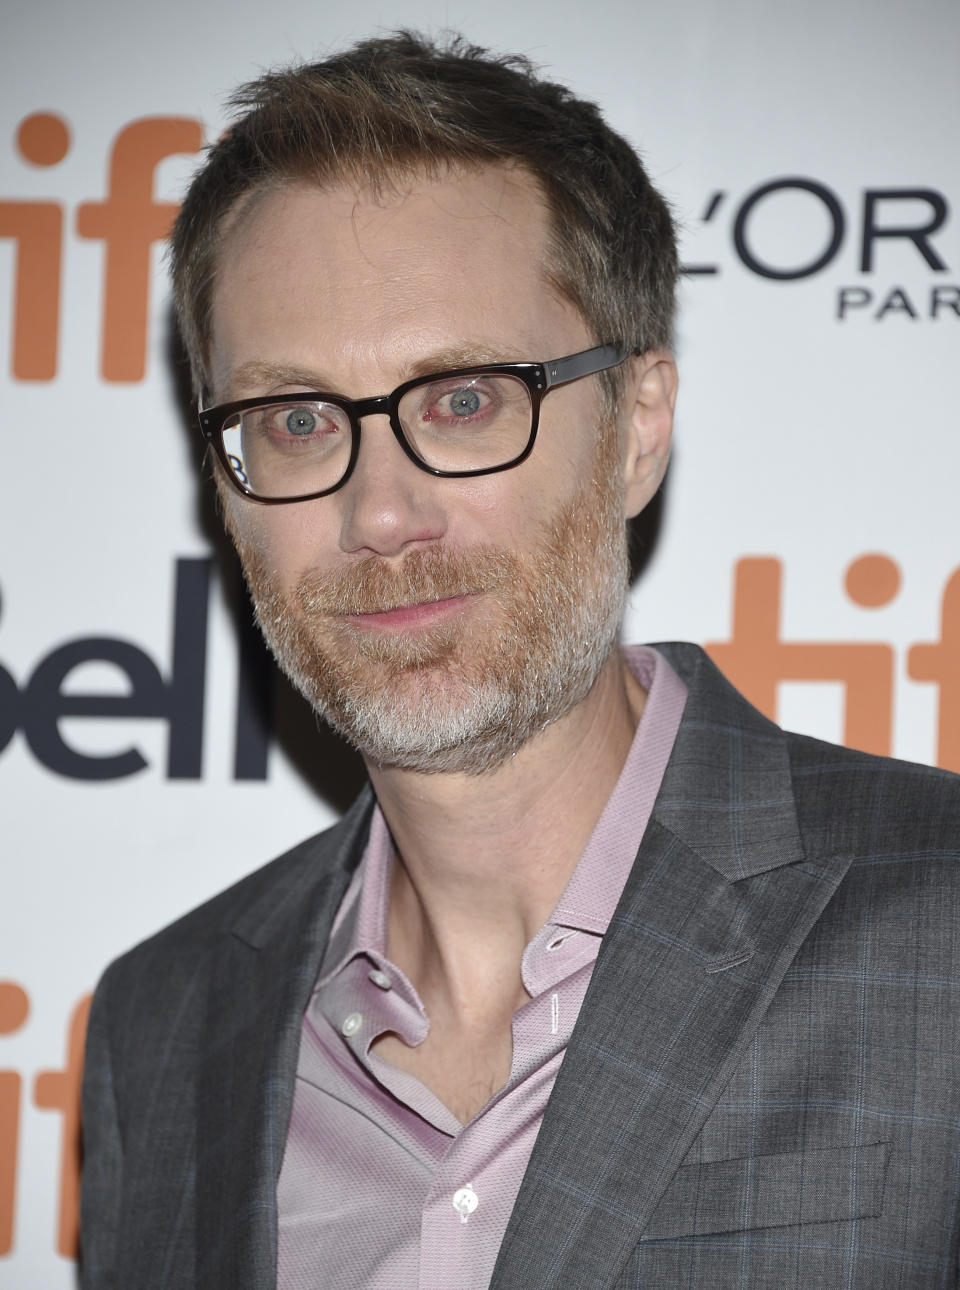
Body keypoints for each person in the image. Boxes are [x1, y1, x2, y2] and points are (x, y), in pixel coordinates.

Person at [80, 31, 960, 1290]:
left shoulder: (940, 929)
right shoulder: (159, 1029)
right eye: (295, 420)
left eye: (464, 401)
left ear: (638, 429)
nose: (382, 514)